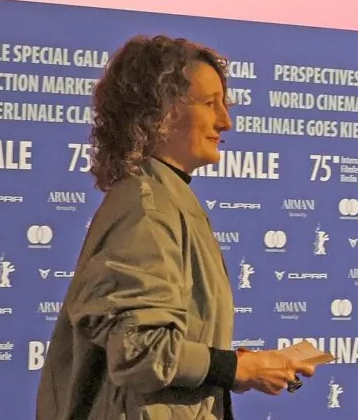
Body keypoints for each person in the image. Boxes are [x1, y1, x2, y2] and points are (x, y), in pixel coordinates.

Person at [36, 35, 314, 419]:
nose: (225, 121)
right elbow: (142, 351)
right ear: (159, 112)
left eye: (225, 104)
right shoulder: (147, 207)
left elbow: (159, 344)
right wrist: (239, 368)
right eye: (209, 104)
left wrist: (236, 365)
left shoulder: (164, 197)